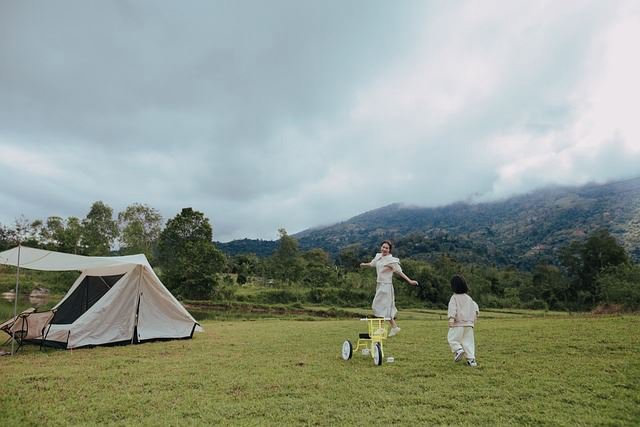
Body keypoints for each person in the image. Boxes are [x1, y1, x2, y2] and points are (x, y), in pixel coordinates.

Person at [360, 240, 418, 336]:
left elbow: (399, 272)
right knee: (378, 306)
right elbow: (372, 264)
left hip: (387, 286)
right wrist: (364, 264)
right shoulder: (378, 257)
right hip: (379, 285)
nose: (384, 249)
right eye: (383, 247)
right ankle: (394, 327)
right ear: (381, 247)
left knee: (383, 307)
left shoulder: (391, 260)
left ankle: (382, 328)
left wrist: (410, 281)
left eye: (387, 248)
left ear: (390, 250)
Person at [447, 274, 479, 367]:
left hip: (458, 323)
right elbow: (475, 307)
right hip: (469, 325)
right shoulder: (469, 298)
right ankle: (471, 360)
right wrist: (475, 317)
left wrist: (451, 319)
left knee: (452, 338)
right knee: (468, 342)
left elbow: (453, 308)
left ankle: (458, 350)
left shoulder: (454, 297)